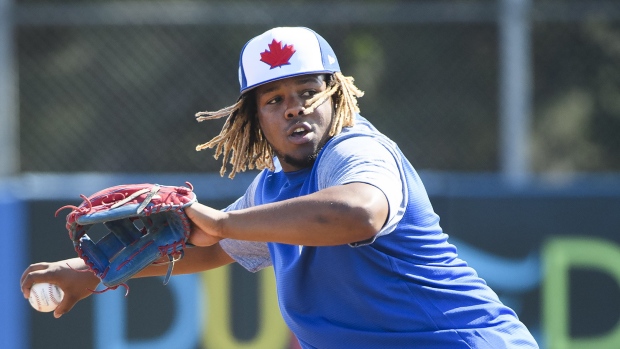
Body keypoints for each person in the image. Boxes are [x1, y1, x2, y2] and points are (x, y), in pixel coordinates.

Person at [21, 27, 539, 348]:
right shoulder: (271, 192)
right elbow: (212, 247)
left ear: (337, 96)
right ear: (254, 118)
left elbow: (358, 213)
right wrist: (89, 273)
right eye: (274, 99)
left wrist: (223, 221)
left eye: (309, 92)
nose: (294, 106)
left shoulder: (358, 152)